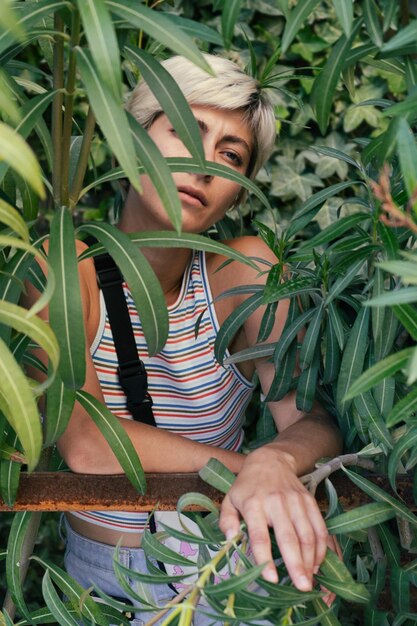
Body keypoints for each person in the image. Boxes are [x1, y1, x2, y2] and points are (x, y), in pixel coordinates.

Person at [26, 54, 342, 624]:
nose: (204, 166)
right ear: (132, 139)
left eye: (230, 156)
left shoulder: (242, 272)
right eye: (185, 131)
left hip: (226, 555)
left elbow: (313, 419)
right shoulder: (64, 265)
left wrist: (275, 462)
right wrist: (256, 471)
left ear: (238, 193)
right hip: (107, 582)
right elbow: (89, 445)